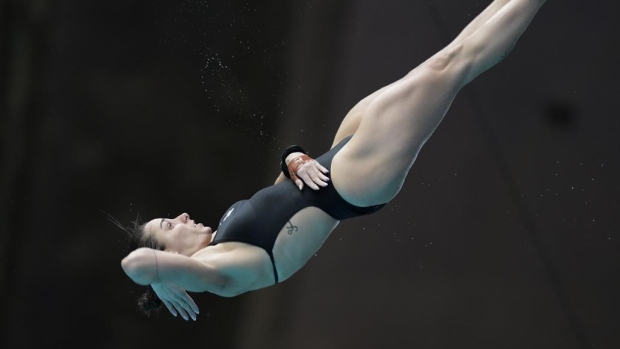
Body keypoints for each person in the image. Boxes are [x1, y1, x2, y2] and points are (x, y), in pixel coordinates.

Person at [121, 0, 547, 321]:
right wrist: (160, 278)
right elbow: (134, 264)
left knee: (452, 56)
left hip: (336, 154)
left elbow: (280, 190)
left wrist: (291, 158)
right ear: (170, 260)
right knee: (454, 64)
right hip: (352, 182)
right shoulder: (220, 274)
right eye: (168, 227)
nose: (179, 216)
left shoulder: (224, 237)